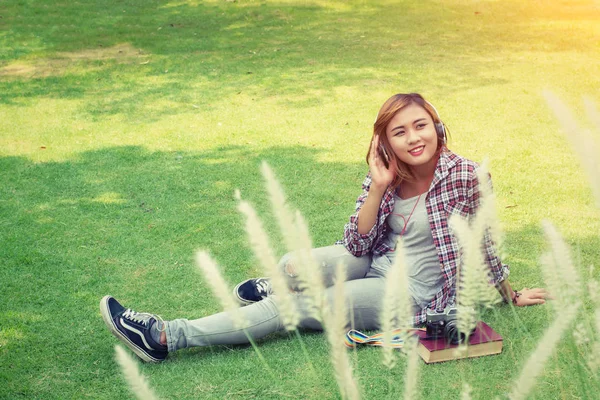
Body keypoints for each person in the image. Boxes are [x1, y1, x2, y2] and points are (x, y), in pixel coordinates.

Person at [100, 93, 548, 363]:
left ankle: (164, 336)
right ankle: (281, 287)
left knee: (288, 312)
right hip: (375, 261)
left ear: (438, 127)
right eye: (399, 131)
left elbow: (484, 243)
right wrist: (378, 186)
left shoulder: (467, 176)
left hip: (411, 293)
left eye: (421, 125)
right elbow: (357, 241)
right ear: (384, 141)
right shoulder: (388, 171)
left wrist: (509, 294)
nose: (414, 138)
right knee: (290, 265)